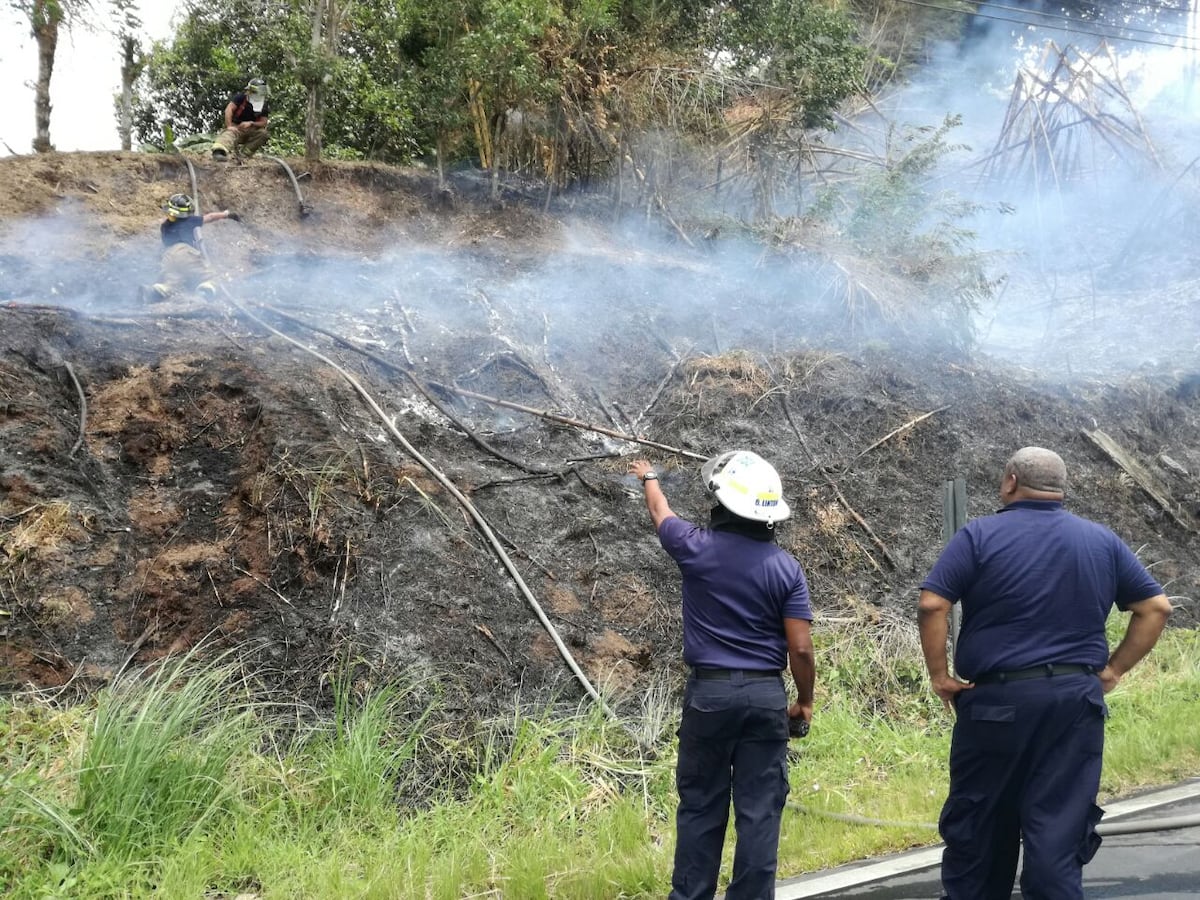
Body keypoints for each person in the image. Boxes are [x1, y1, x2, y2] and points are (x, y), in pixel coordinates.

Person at [917, 446, 1172, 900]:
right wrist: (1112, 670)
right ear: (1061, 488)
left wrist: (940, 676)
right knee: (1058, 830)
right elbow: (1154, 607)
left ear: (1011, 481)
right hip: (1074, 705)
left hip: (997, 705)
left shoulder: (979, 536)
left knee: (980, 825)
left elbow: (934, 603)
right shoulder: (1100, 540)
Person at [628, 450, 815, 900]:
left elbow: (660, 511)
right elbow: (802, 649)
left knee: (700, 807)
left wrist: (648, 476)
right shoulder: (787, 569)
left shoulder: (694, 546)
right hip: (765, 698)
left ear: (721, 505)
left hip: (709, 696)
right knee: (760, 812)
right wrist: (805, 701)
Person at [143, 193, 239, 301]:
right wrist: (225, 214)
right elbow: (210, 217)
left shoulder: (164, 226)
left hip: (168, 256)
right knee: (210, 276)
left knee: (173, 281)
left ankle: (160, 290)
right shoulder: (189, 220)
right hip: (184, 252)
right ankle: (206, 289)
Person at [212, 78, 270, 161]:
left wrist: (251, 123)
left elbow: (263, 122)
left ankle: (244, 155)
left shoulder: (263, 105)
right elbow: (229, 109)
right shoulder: (241, 98)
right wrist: (229, 126)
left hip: (251, 129)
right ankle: (219, 152)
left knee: (263, 134)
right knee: (230, 134)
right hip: (236, 127)